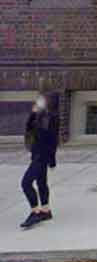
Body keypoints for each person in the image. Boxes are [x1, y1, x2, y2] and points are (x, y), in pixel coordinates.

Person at [20, 92, 59, 230]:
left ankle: (35, 212)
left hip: (41, 156)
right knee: (41, 182)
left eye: (41, 100)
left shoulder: (50, 118)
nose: (38, 102)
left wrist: (52, 160)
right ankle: (46, 210)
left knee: (26, 183)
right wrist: (33, 114)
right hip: (37, 154)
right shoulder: (40, 115)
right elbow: (29, 128)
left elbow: (52, 140)